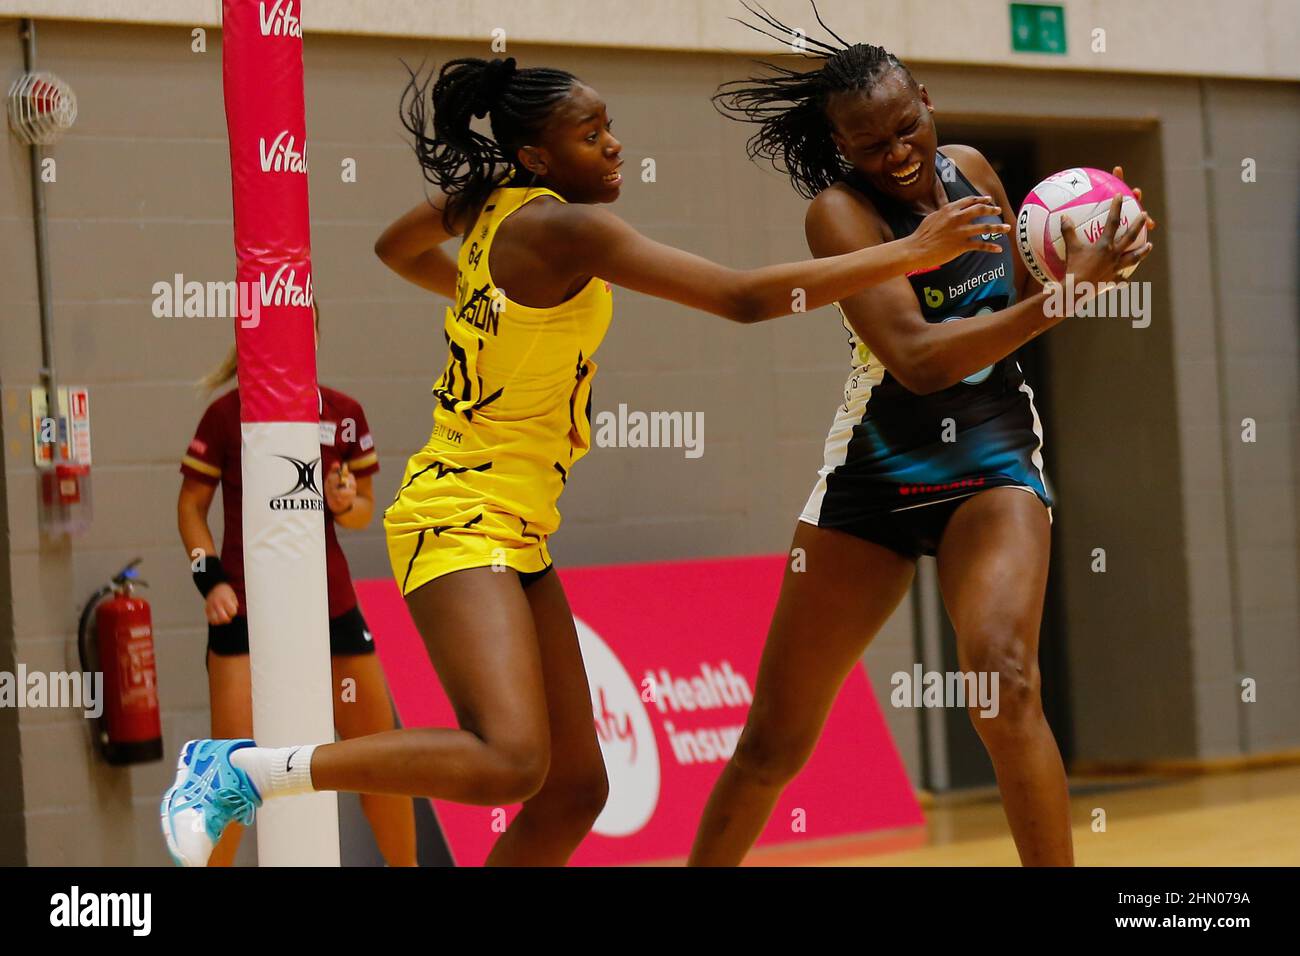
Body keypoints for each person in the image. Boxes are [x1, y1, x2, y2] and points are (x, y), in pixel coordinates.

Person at [162, 53, 1010, 867]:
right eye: (590, 132)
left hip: (517, 523)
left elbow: (394, 248)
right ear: (537, 153)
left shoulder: (496, 205)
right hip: (460, 513)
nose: (614, 145)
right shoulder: (568, 228)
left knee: (574, 791)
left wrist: (478, 278)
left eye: (610, 126)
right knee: (511, 762)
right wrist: (908, 250)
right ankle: (245, 771)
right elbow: (743, 299)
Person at [686, 5, 1153, 866]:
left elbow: (1014, 300)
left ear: (927, 102)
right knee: (773, 743)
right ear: (842, 150)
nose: (898, 153)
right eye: (872, 145)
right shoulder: (839, 216)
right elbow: (917, 362)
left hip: (992, 455)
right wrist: (1063, 298)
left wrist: (1093, 250)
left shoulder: (972, 169)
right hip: (876, 468)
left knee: (1004, 683)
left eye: (908, 127)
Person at [175, 302, 416, 866]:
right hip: (243, 614)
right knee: (230, 773)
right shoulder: (223, 416)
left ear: (314, 338)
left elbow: (362, 514)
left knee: (376, 761)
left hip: (329, 607)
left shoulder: (345, 414)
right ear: (252, 339)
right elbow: (190, 508)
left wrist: (346, 501)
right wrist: (207, 580)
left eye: (301, 333)